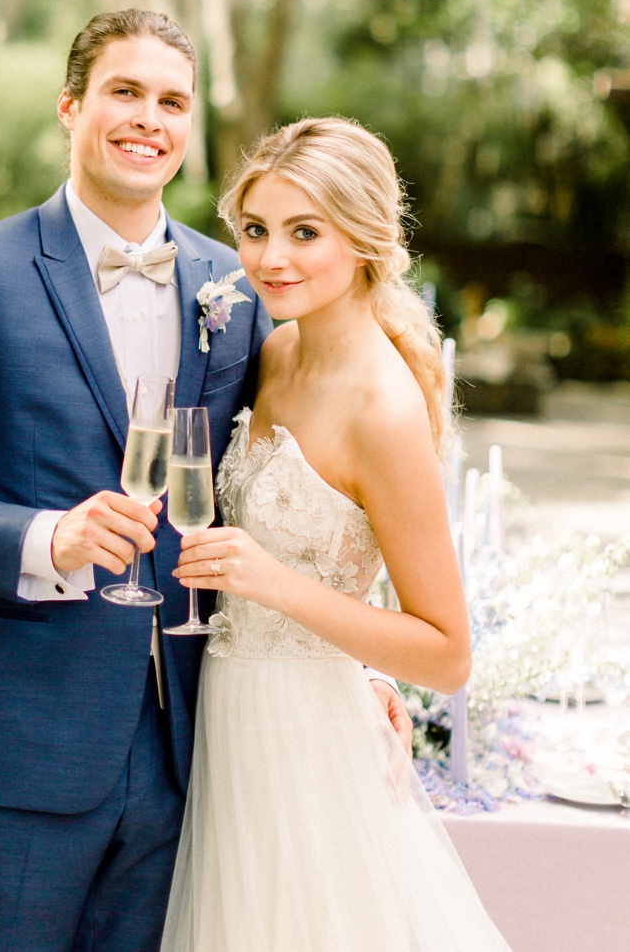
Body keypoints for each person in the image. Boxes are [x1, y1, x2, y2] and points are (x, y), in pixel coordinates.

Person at [0, 15, 409, 952]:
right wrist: (44, 540)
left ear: (188, 128)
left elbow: (298, 481)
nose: (149, 118)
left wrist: (360, 656)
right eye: (125, 92)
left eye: (172, 101)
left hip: (194, 746)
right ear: (72, 106)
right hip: (20, 741)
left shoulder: (236, 283)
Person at [161, 117, 512, 952]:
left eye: (304, 232)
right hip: (229, 725)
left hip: (308, 753)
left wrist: (279, 587)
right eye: (255, 231)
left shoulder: (381, 409)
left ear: (364, 240)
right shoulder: (276, 355)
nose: (269, 258)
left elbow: (446, 651)